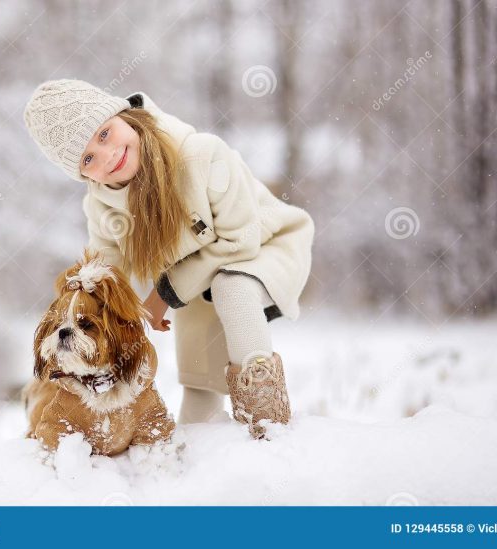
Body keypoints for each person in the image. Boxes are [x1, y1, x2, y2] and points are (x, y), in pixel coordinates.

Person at [23, 79, 314, 439]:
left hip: (266, 246)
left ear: (123, 115)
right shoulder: (101, 207)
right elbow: (106, 278)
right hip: (193, 277)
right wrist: (71, 325)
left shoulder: (203, 156)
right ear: (82, 174)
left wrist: (161, 298)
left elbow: (241, 240)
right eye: (88, 159)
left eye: (104, 134)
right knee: (198, 376)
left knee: (232, 286)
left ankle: (267, 427)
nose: (108, 154)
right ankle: (197, 456)